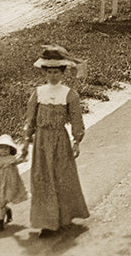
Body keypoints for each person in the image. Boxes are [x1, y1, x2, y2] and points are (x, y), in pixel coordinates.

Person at [24, 45, 89, 238]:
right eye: (49, 72)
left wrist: (77, 141)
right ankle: (47, 222)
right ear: (44, 72)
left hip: (60, 141)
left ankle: (63, 217)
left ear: (63, 72)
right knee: (43, 179)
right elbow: (30, 118)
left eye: (56, 72)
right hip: (41, 142)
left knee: (61, 178)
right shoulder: (38, 92)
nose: (53, 76)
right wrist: (27, 139)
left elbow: (77, 120)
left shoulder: (70, 94)